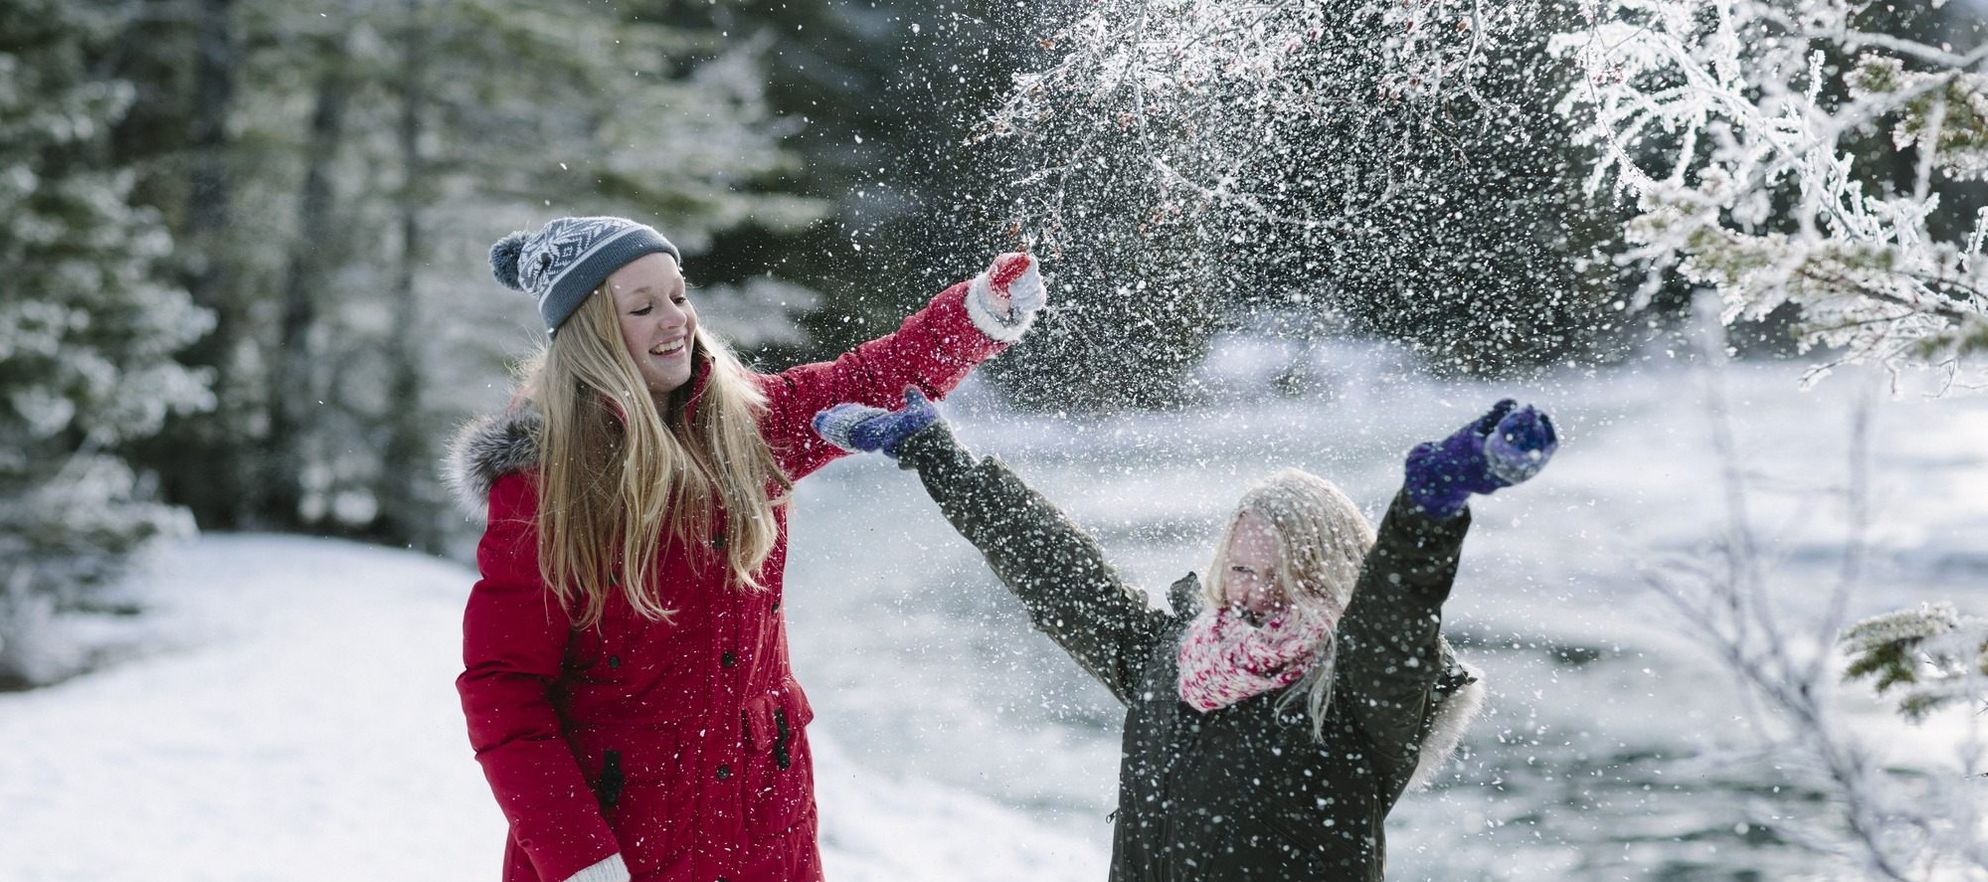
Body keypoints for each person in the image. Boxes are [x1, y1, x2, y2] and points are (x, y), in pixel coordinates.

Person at [442, 215, 1047, 882]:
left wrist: (977, 316)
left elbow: (871, 377)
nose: (674, 319)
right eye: (642, 307)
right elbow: (503, 690)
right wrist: (580, 856)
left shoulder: (744, 426)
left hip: (765, 822)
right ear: (591, 338)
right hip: (628, 844)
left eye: (677, 295)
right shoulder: (547, 486)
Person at [811, 390, 1558, 881]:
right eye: (1239, 567)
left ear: (1326, 572)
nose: (1252, 591)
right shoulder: (1174, 659)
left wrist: (1427, 511)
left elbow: (1396, 612)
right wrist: (938, 458)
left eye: (1282, 574)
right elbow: (1063, 575)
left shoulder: (1357, 689)